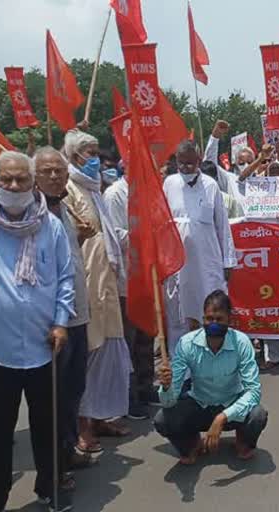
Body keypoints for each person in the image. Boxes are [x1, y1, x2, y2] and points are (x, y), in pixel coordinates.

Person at [0, 150, 75, 511]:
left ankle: (51, 488)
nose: (14, 186)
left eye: (21, 180)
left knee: (49, 426)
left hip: (44, 344)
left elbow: (65, 279)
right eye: (7, 179)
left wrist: (62, 322)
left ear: (33, 184)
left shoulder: (52, 226)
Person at [63, 130, 133, 453]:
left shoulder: (95, 190)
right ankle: (82, 426)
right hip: (86, 284)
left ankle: (102, 415)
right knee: (88, 355)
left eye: (96, 152)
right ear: (74, 156)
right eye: (88, 153)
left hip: (107, 281)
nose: (95, 160)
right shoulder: (68, 190)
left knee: (109, 353)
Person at [34, 146, 95, 482]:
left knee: (73, 388)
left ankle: (68, 450)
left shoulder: (67, 210)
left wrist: (82, 236)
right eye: (47, 170)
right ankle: (53, 466)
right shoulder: (29, 214)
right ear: (35, 177)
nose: (54, 176)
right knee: (52, 397)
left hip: (78, 314)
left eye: (59, 170)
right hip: (52, 321)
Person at [154, 290, 268, 464]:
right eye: (209, 319)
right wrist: (167, 387)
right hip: (199, 403)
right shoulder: (187, 343)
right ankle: (191, 442)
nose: (213, 324)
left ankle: (243, 440)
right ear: (203, 319)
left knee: (258, 415)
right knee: (163, 419)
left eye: (219, 319)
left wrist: (223, 417)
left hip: (230, 403)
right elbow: (169, 402)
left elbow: (253, 392)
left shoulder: (242, 342)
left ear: (229, 320)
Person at [163, 139, 237, 355]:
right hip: (177, 264)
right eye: (181, 163)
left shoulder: (210, 185)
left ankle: (213, 361)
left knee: (212, 310)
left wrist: (228, 261)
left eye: (190, 163)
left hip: (207, 263)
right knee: (178, 315)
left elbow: (222, 226)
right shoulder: (169, 183)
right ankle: (180, 371)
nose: (186, 168)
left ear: (198, 161)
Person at [103, 161, 158, 420]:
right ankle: (128, 395)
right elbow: (114, 234)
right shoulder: (115, 194)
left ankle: (146, 386)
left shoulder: (149, 193)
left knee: (147, 337)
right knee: (129, 341)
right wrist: (145, 234)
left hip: (147, 277)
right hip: (126, 280)